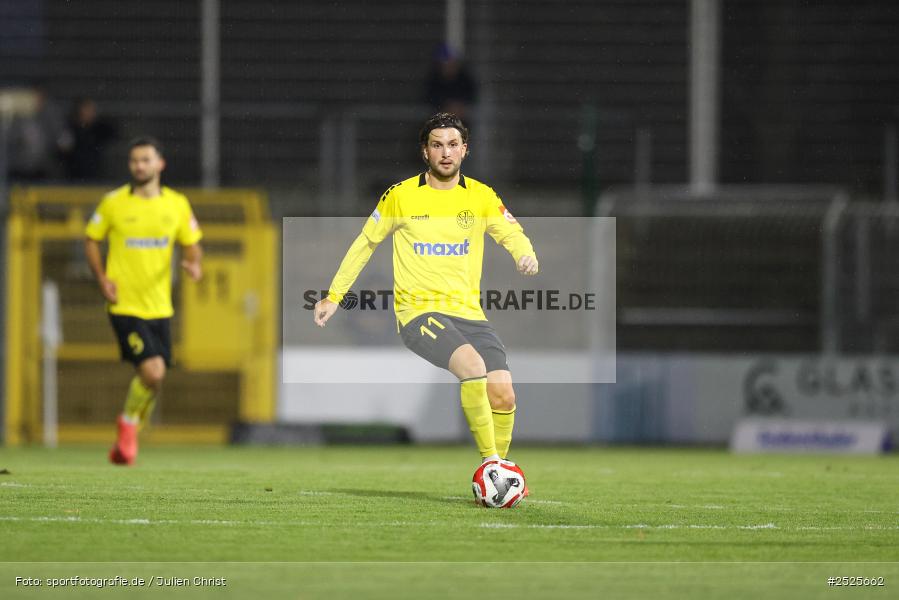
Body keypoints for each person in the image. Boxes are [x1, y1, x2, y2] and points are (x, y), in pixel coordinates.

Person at [314, 113, 539, 474]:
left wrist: (524, 253)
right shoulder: (400, 196)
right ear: (425, 151)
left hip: (470, 315)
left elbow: (510, 232)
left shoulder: (481, 196)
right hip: (418, 314)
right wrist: (334, 296)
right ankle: (491, 468)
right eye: (437, 145)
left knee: (503, 392)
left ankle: (501, 471)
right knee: (473, 367)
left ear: (465, 150)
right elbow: (365, 244)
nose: (445, 152)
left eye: (453, 145)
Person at [85, 137, 203, 465]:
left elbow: (192, 243)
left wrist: (194, 263)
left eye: (146, 160)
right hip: (125, 304)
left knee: (156, 375)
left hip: (160, 306)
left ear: (160, 164)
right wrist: (101, 278)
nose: (139, 165)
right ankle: (128, 424)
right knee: (153, 372)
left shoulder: (177, 204)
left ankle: (129, 428)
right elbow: (92, 240)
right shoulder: (113, 203)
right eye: (135, 160)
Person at [63, 97, 117, 182]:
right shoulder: (72, 128)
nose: (89, 112)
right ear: (79, 111)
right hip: (74, 174)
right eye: (86, 109)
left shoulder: (100, 128)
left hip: (96, 173)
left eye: (91, 110)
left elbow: (113, 135)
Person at [424, 43, 478, 121]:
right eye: (445, 63)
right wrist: (444, 107)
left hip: (463, 121)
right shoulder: (434, 80)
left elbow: (472, 96)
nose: (448, 66)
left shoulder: (465, 79)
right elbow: (429, 98)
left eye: (451, 62)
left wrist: (460, 106)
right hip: (439, 122)